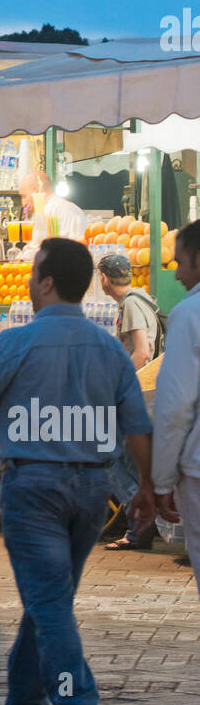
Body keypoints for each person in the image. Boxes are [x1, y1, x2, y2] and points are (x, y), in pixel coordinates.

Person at [0, 238, 153, 705]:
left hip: (33, 488)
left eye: (34, 273)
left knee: (49, 603)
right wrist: (147, 485)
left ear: (48, 281)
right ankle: (24, 701)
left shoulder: (17, 342)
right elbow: (138, 425)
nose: (29, 281)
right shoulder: (107, 347)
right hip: (92, 492)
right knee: (47, 599)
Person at [98, 253, 162, 552]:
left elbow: (142, 352)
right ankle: (139, 527)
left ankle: (140, 523)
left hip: (135, 395)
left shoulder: (133, 305)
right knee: (127, 460)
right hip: (143, 395)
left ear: (104, 278)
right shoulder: (140, 299)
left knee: (111, 453)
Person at [150, 220, 200, 597]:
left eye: (180, 261)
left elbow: (175, 406)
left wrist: (161, 481)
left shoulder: (189, 314)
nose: (178, 274)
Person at [19, 172, 86, 251]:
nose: (23, 203)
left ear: (36, 190)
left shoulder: (46, 211)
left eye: (24, 196)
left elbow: (35, 250)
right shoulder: (74, 208)